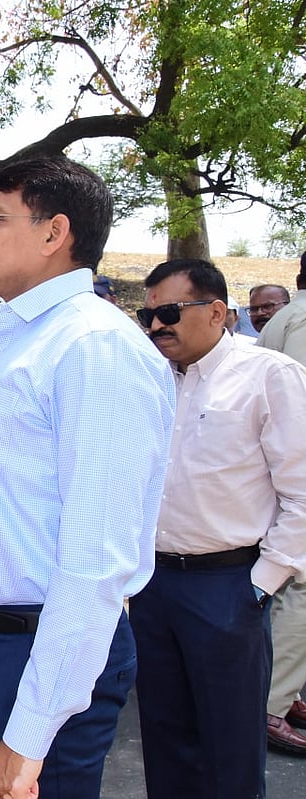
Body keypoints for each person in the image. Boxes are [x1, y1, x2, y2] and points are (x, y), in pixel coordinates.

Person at [0, 156, 176, 799]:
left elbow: (96, 562)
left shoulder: (94, 347)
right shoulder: (24, 340)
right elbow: (4, 515)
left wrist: (29, 736)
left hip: (42, 660)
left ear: (55, 233)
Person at [133, 258, 306, 793]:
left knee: (229, 744)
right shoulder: (151, 382)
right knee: (163, 738)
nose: (157, 325)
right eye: (148, 314)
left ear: (215, 312)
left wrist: (259, 585)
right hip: (153, 586)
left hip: (228, 585)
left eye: (168, 312)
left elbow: (301, 491)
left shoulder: (268, 375)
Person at [257, 256, 306, 754]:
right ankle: (270, 703)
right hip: (292, 468)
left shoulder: (284, 320)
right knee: (300, 588)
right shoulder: (301, 319)